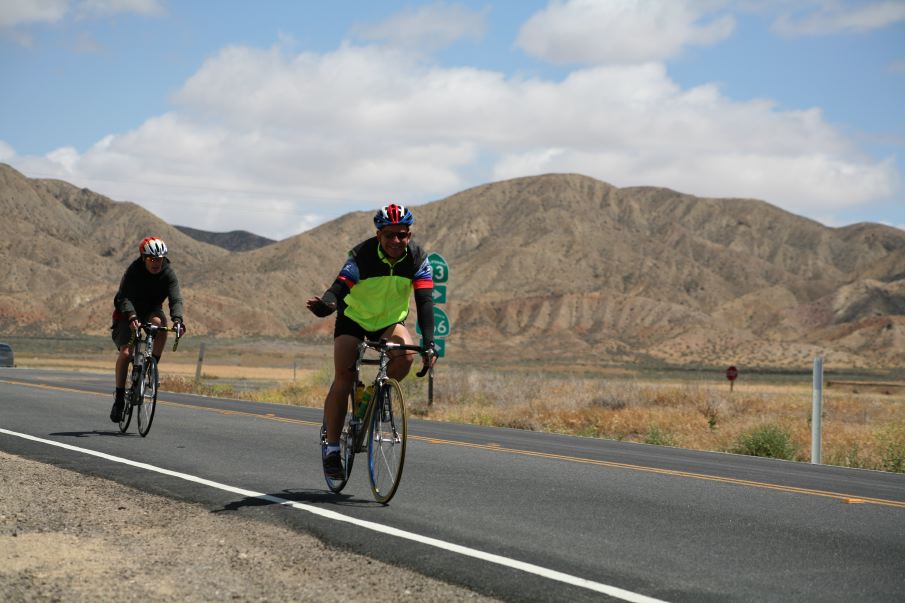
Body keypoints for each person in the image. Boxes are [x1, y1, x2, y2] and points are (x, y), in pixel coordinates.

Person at [307, 203, 438, 479]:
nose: (395, 241)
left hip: (388, 322)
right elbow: (340, 286)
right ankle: (332, 450)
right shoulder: (362, 256)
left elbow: (425, 302)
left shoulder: (417, 259)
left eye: (401, 235)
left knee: (406, 355)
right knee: (344, 376)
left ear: (409, 235)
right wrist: (328, 304)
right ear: (379, 235)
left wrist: (430, 343)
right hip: (353, 319)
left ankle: (376, 396)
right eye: (389, 235)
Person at [109, 237, 186, 422]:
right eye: (152, 259)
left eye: (159, 259)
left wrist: (178, 320)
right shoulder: (133, 271)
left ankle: (151, 366)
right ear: (143, 258)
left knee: (160, 324)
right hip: (127, 312)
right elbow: (124, 297)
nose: (156, 263)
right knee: (127, 353)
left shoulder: (168, 273)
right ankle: (119, 399)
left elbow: (175, 299)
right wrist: (132, 317)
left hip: (151, 310)